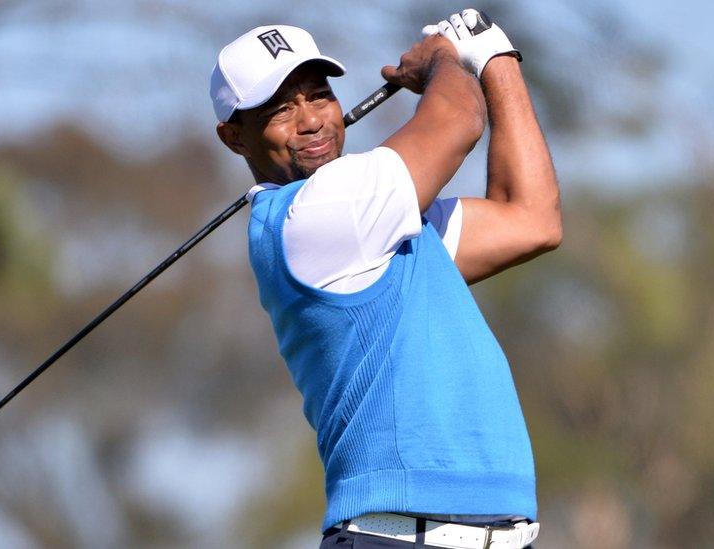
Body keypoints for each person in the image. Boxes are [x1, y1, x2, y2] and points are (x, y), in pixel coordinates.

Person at [211, 9, 560, 549]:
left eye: (319, 95)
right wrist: (445, 57)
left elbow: (531, 217)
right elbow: (459, 120)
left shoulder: (379, 222)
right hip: (395, 538)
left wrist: (497, 60)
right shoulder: (315, 217)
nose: (313, 122)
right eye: (282, 109)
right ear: (234, 137)